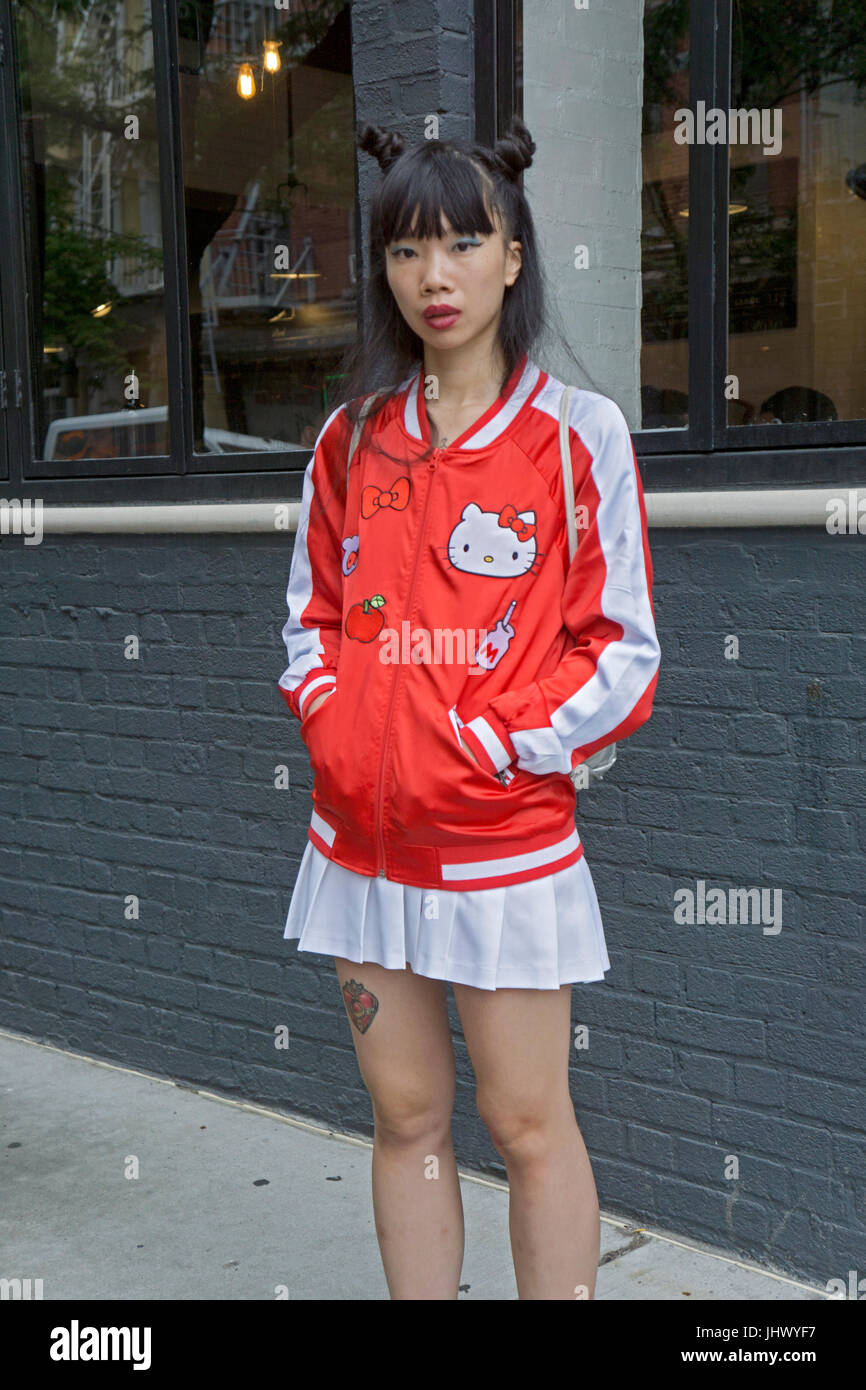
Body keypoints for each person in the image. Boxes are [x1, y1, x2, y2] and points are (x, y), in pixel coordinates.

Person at [277, 116, 661, 1300]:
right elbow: (308, 628)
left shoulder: (571, 440)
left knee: (528, 1121)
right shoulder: (346, 445)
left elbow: (623, 654)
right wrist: (346, 735)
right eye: (404, 250)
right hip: (362, 850)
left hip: (501, 850)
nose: (432, 277)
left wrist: (492, 743)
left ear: (511, 255)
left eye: (461, 243)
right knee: (405, 1123)